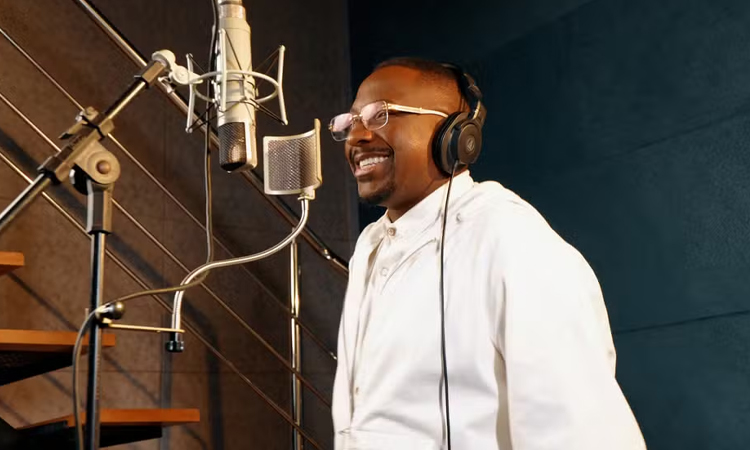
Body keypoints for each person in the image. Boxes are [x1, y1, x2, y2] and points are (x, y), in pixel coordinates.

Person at [329, 57, 646, 450]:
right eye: (350, 122)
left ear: (454, 135)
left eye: (381, 115)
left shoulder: (511, 240)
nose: (357, 137)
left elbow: (582, 433)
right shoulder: (371, 244)